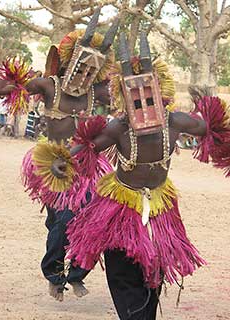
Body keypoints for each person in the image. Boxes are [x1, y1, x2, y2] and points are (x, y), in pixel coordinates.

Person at [51, 33, 230, 319]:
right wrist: (62, 161)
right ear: (124, 93)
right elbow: (87, 147)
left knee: (154, 272)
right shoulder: (119, 128)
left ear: (160, 90)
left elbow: (214, 129)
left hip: (160, 209)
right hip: (119, 210)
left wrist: (214, 121)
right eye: (134, 92)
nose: (143, 98)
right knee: (123, 271)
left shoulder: (176, 121)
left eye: (149, 91)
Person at [0, 8, 119, 302]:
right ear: (69, 63)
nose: (84, 75)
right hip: (53, 165)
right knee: (60, 223)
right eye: (80, 67)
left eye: (91, 71)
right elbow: (12, 87)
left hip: (87, 166)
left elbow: (130, 91)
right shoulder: (50, 86)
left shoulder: (98, 92)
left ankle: (76, 275)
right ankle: (54, 274)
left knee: (96, 219)